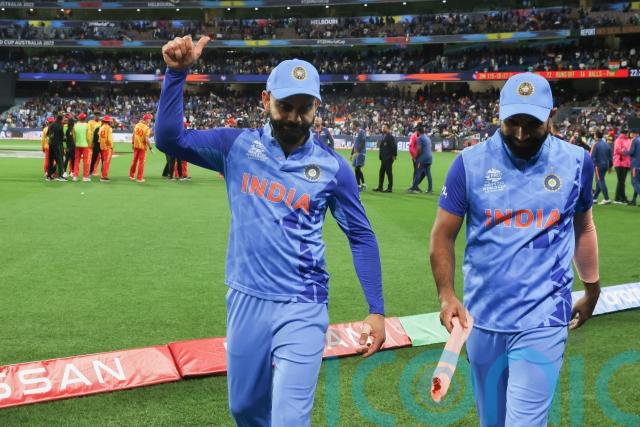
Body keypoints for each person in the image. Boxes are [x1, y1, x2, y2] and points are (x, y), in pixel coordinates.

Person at [156, 36, 385, 427]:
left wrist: (376, 309)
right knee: (245, 409)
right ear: (265, 101)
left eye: (304, 108)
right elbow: (169, 139)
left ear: (317, 108)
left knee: (289, 418)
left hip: (303, 303)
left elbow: (361, 236)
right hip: (246, 297)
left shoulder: (334, 169)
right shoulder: (235, 147)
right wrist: (176, 74)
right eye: (285, 106)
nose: (294, 117)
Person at [430, 72, 600, 427]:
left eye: (532, 124)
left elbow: (583, 226)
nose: (521, 134)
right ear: (499, 113)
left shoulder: (577, 162)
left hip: (544, 317)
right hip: (482, 319)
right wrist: (447, 296)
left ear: (551, 115)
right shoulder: (469, 163)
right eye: (512, 123)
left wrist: (592, 289)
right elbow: (442, 236)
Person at [408, 125, 433, 193]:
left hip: (423, 158)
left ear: (418, 132)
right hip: (430, 157)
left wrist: (416, 157)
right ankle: (430, 189)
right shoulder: (427, 137)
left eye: (417, 131)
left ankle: (413, 188)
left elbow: (419, 149)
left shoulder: (420, 138)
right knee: (428, 174)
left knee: (418, 172)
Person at [130, 113, 154, 182]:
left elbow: (133, 135)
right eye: (150, 119)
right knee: (141, 162)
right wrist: (150, 148)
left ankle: (131, 175)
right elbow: (146, 139)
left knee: (134, 161)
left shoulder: (137, 125)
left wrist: (133, 143)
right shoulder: (147, 128)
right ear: (146, 119)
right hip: (142, 147)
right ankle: (139, 178)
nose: (150, 120)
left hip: (136, 146)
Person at [590, 130, 612, 205]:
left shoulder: (595, 144)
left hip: (598, 165)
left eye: (594, 135)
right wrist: (610, 166)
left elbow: (591, 157)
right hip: (606, 165)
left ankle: (607, 198)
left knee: (600, 181)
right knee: (599, 181)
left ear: (596, 136)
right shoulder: (607, 144)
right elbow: (610, 157)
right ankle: (594, 198)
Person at [373, 123, 397, 193]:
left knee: (389, 173)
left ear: (388, 129)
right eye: (383, 127)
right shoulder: (384, 136)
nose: (383, 128)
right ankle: (380, 187)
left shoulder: (390, 137)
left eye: (385, 127)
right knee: (381, 172)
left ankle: (390, 188)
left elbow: (394, 146)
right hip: (384, 158)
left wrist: (394, 155)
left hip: (388, 158)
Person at [613, 128, 631, 204]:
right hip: (619, 162)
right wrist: (626, 151)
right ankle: (622, 198)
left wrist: (626, 151)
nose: (627, 134)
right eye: (626, 132)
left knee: (621, 181)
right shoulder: (619, 140)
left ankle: (618, 198)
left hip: (625, 162)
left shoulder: (628, 140)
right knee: (621, 181)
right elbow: (617, 150)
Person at [73, 112, 91, 181]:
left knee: (76, 161)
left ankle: (75, 176)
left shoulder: (75, 125)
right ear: (85, 118)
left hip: (77, 145)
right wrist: (89, 144)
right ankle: (85, 177)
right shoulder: (87, 125)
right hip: (85, 145)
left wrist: (75, 143)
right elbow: (88, 136)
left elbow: (74, 136)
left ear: (79, 118)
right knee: (86, 162)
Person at [46, 115, 65, 181]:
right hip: (57, 145)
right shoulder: (60, 126)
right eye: (62, 120)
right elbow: (62, 136)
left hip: (51, 144)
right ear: (61, 119)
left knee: (50, 160)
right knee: (59, 160)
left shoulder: (51, 125)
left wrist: (52, 137)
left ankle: (49, 176)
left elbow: (47, 134)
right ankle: (60, 176)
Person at [350, 120, 367, 191]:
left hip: (361, 153)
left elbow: (363, 141)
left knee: (357, 168)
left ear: (355, 125)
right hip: (356, 153)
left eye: (352, 125)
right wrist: (352, 154)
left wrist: (358, 151)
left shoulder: (361, 131)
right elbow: (355, 144)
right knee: (356, 169)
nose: (351, 126)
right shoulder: (354, 133)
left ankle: (363, 184)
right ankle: (359, 185)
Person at [626, 124, 640, 206]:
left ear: (634, 133)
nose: (630, 134)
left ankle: (634, 200)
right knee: (638, 182)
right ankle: (634, 200)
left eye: (631, 133)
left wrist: (624, 151)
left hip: (636, 164)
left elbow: (631, 152)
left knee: (634, 182)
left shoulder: (634, 140)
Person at [98, 115, 114, 182]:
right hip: (107, 147)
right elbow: (109, 139)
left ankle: (103, 175)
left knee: (104, 161)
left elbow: (99, 138)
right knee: (106, 162)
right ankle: (104, 176)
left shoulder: (101, 127)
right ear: (108, 121)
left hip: (102, 146)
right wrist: (111, 146)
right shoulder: (109, 128)